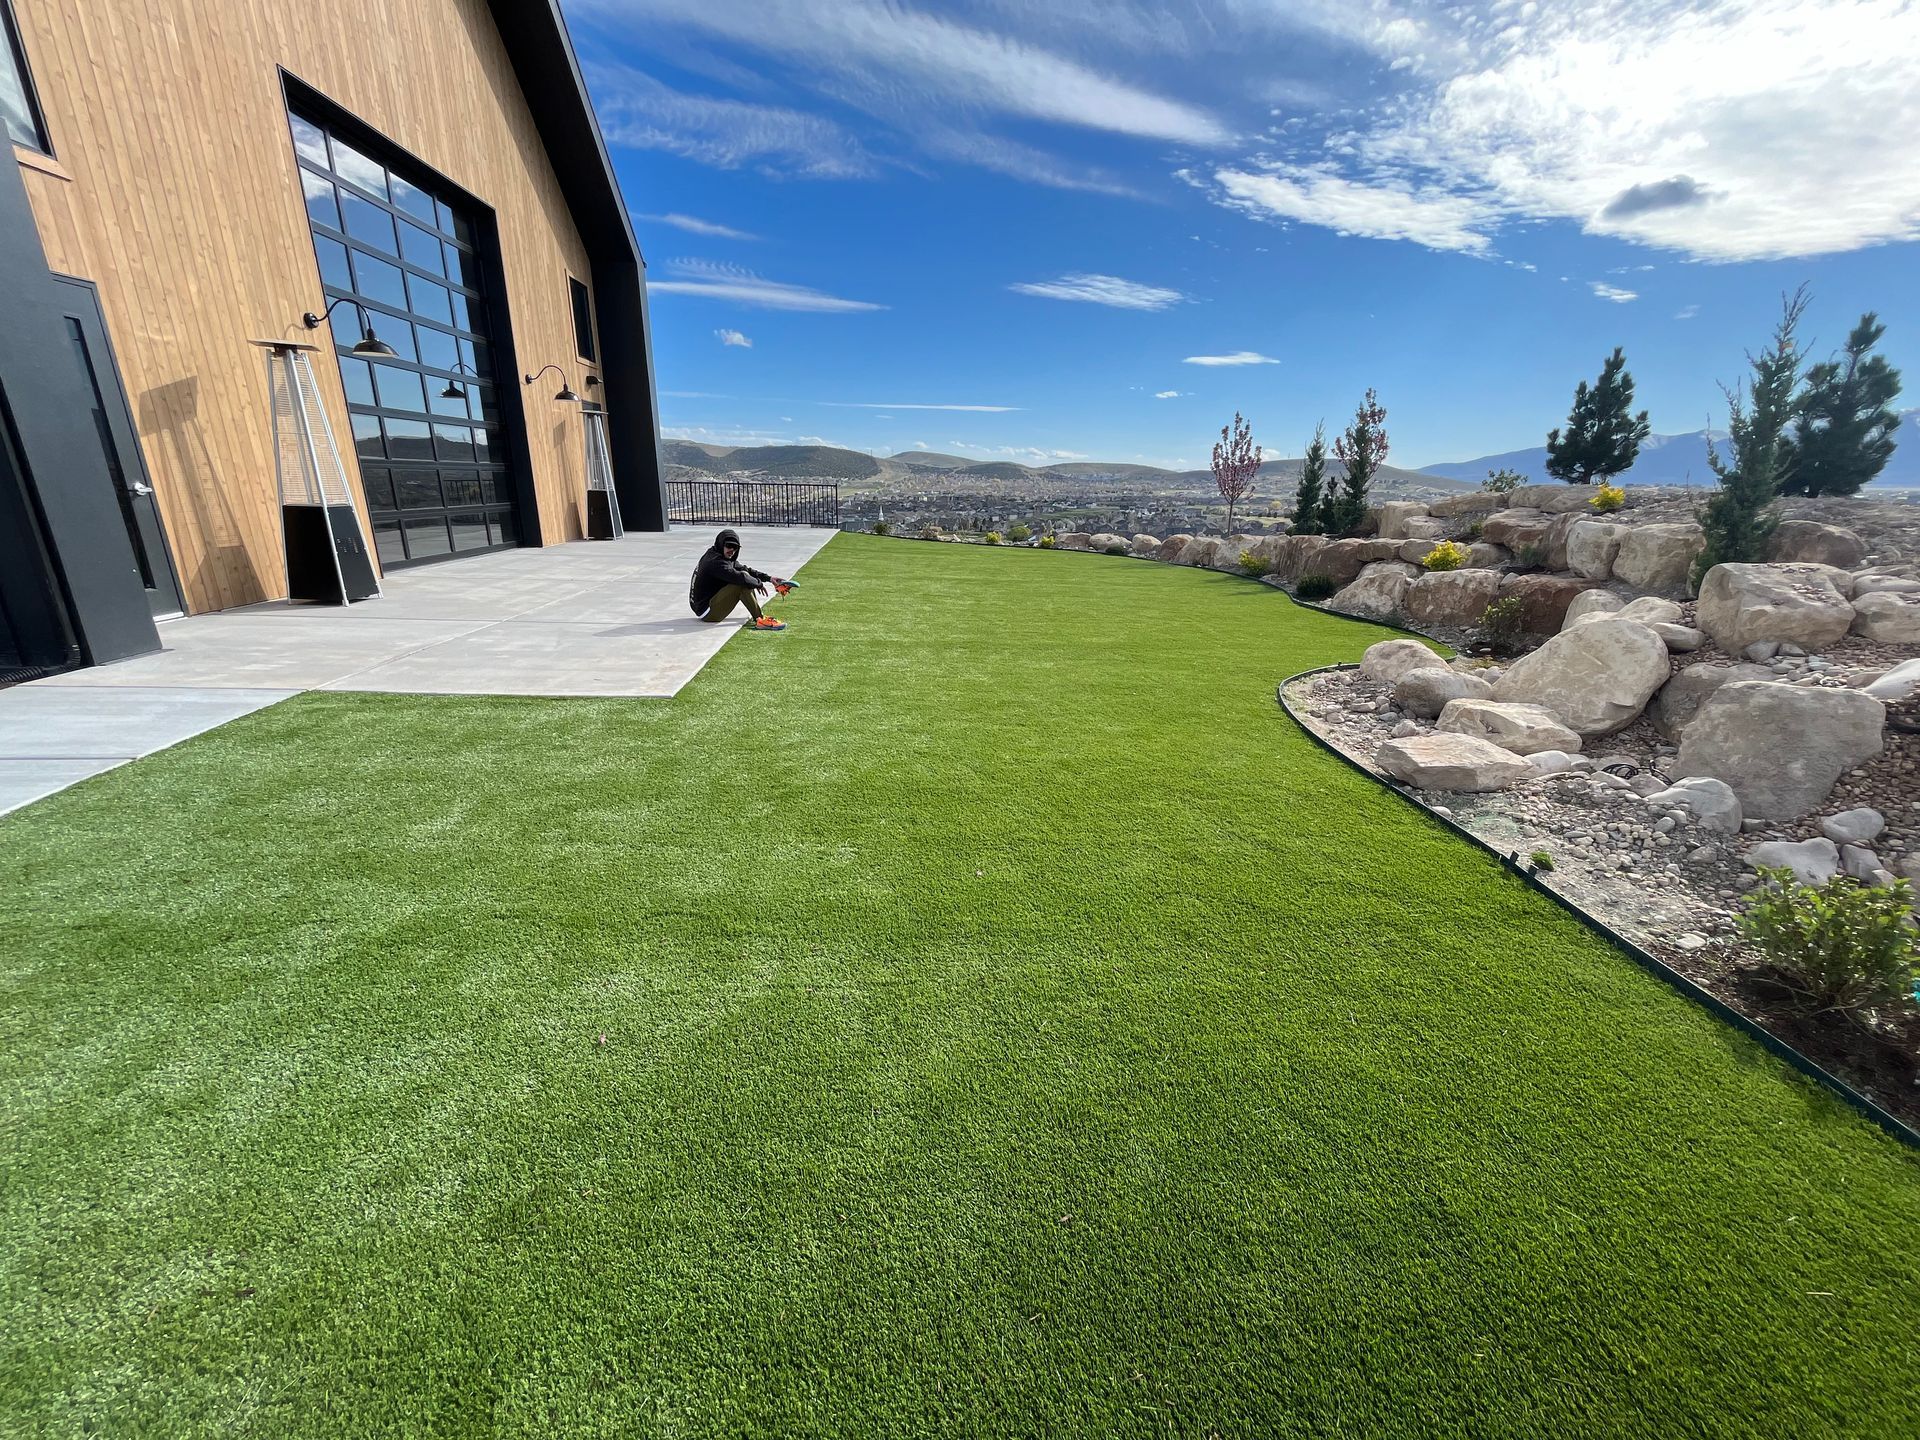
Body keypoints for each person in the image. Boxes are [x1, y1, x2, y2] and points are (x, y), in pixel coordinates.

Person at [688, 528, 795, 630]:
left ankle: (759, 618)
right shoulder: (716, 562)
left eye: (735, 547)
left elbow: (744, 569)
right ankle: (760, 619)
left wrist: (769, 578)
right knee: (741, 584)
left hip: (704, 605)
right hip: (707, 612)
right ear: (721, 544)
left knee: (745, 576)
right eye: (729, 546)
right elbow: (741, 578)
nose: (732, 550)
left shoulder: (717, 553)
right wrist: (759, 584)